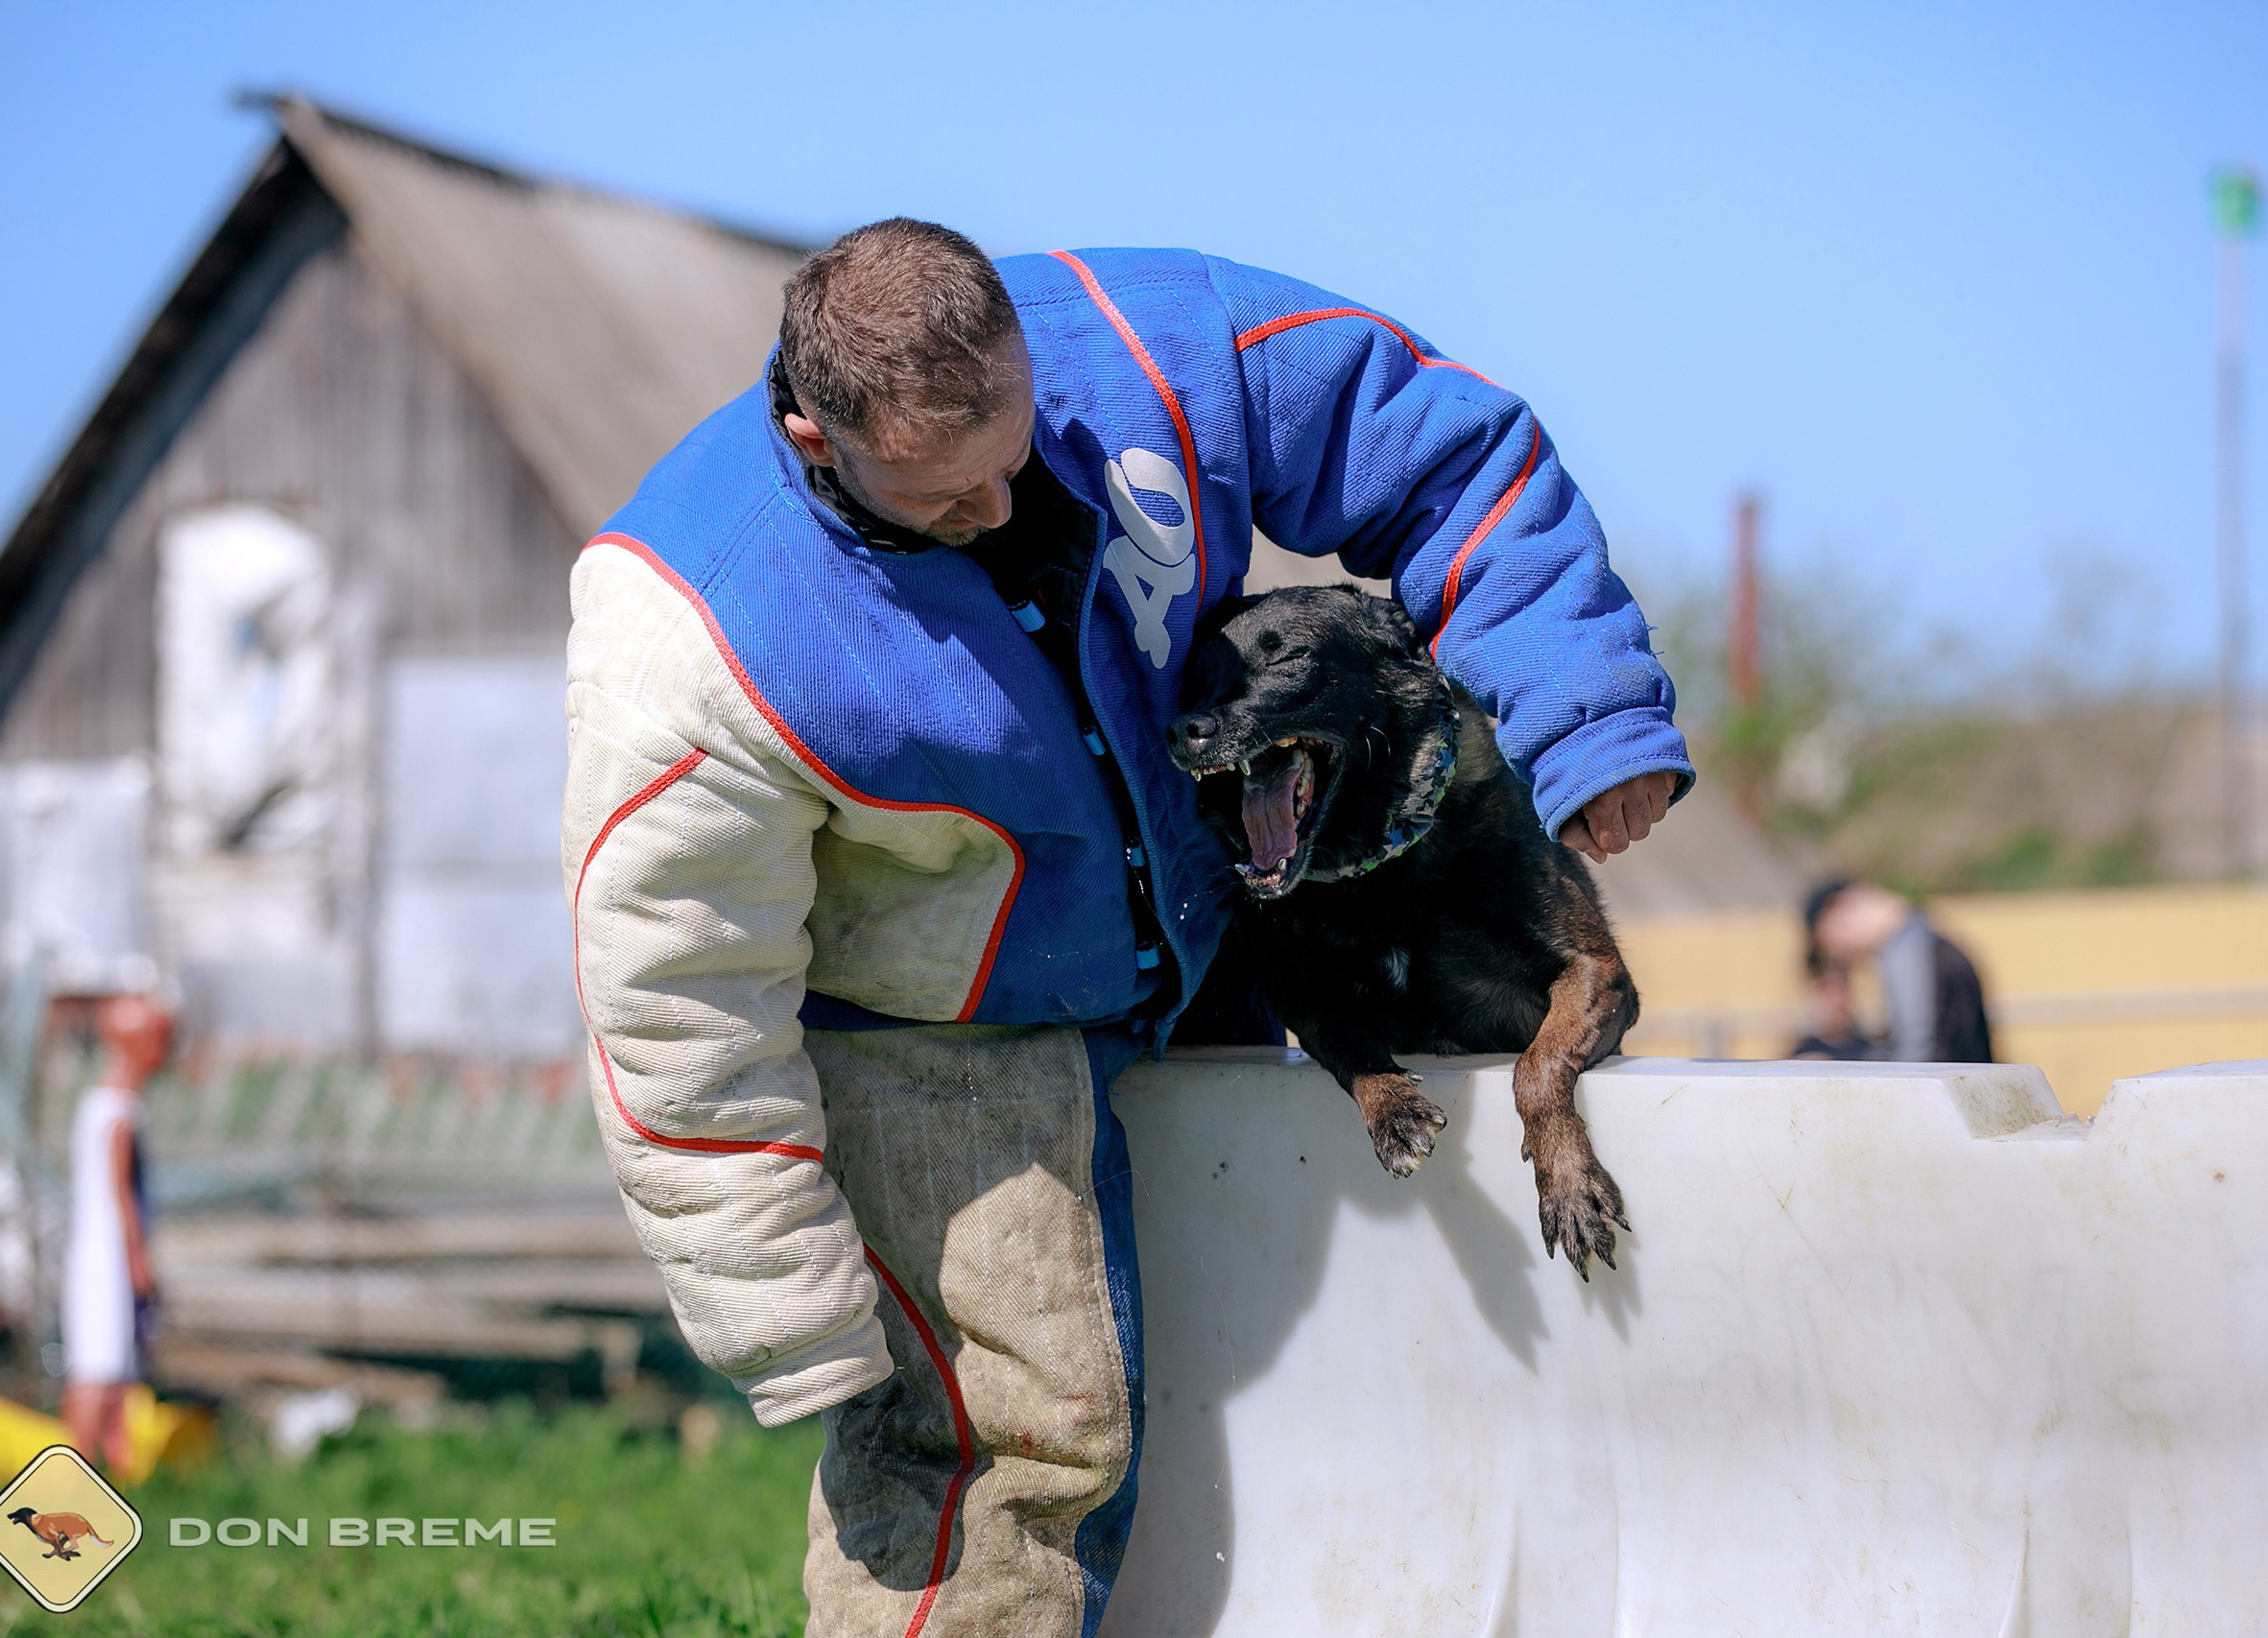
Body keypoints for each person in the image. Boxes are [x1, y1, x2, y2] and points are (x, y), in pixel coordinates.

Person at [564, 220, 1692, 1635]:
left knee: (1253, 1383)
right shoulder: (696, 627)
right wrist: (780, 1300)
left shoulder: (1157, 346)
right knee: (1019, 1442)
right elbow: (674, 981)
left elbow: (1446, 451)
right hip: (945, 1023)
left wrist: (1581, 701)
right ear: (809, 432)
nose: (997, 510)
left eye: (1013, 451)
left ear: (1032, 354)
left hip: (1211, 943)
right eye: (938, 495)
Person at [60, 994, 169, 1471]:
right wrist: (139, 1258)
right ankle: (79, 1471)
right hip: (106, 1257)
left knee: (116, 1371)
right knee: (98, 1370)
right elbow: (120, 1192)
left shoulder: (100, 1104)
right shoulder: (118, 1111)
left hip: (98, 1251)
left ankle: (115, 1473)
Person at [1795, 878, 1993, 1062]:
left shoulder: (1906, 950)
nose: (1843, 955)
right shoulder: (1925, 940)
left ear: (1840, 911)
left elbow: (1917, 1052)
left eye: (1833, 945)